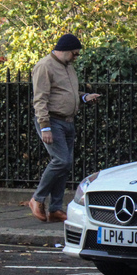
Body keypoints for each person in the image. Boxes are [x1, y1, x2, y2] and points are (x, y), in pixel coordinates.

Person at [28, 34, 100, 223]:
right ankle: (37, 199)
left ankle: (55, 209)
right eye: (74, 54)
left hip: (67, 121)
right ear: (65, 50)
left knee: (65, 164)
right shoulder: (44, 66)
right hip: (52, 121)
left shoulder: (68, 67)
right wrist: (45, 127)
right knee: (61, 161)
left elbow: (66, 93)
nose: (76, 58)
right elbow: (40, 98)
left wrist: (84, 97)